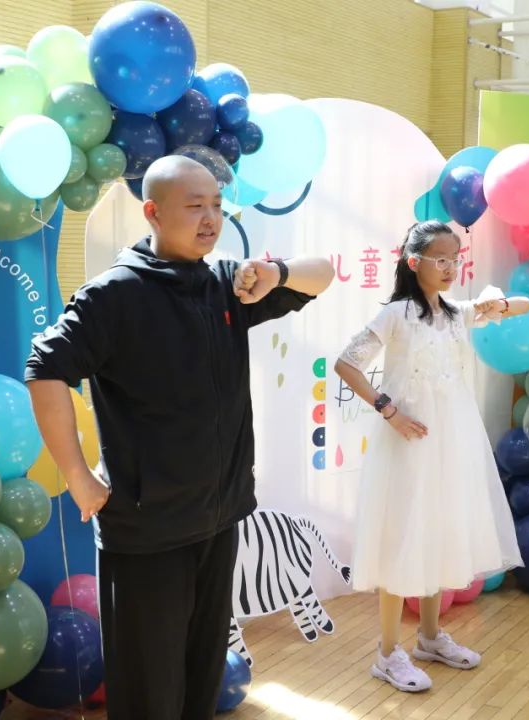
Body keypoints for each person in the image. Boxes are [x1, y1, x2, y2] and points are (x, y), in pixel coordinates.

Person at [24, 156, 335, 719]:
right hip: (147, 530)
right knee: (148, 688)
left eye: (216, 205)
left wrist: (277, 273)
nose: (210, 218)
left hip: (218, 518)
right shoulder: (113, 295)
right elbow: (44, 368)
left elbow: (322, 275)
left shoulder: (226, 284)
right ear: (153, 212)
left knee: (200, 676)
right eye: (194, 207)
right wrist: (78, 477)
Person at [333, 220, 526, 693]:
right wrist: (389, 410)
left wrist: (496, 305)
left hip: (451, 439)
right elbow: (346, 363)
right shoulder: (397, 314)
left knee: (440, 528)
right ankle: (386, 653)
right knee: (401, 535)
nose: (449, 267)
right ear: (413, 261)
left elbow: (526, 305)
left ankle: (431, 637)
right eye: (440, 259)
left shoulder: (456, 313)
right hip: (408, 443)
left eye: (455, 259)